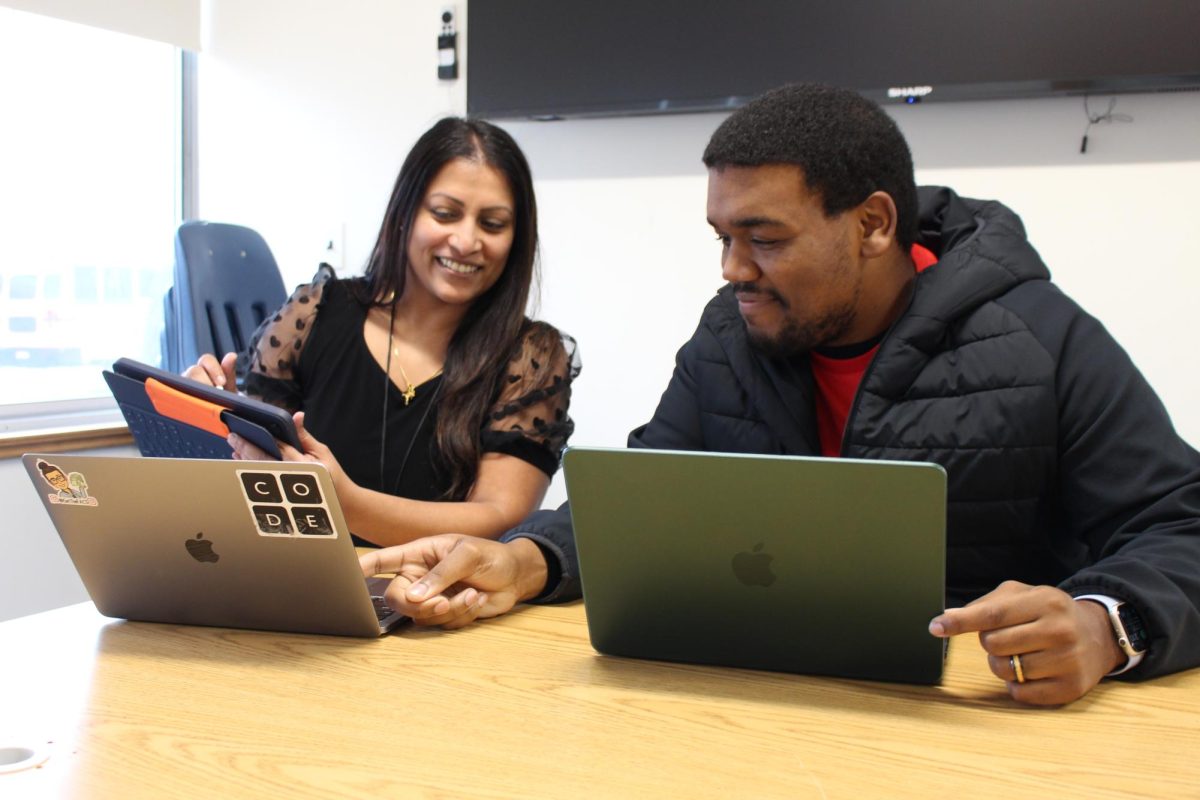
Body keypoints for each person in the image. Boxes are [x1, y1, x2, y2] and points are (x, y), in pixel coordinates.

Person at [364, 83, 1200, 705]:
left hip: (967, 734)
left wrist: (1103, 625)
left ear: (873, 224)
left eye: (763, 240)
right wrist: (525, 559)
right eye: (723, 238)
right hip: (757, 719)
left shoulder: (1040, 339)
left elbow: (1183, 526)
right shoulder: (731, 334)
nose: (732, 270)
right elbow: (651, 500)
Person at [187, 117, 580, 548]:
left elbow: (500, 515)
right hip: (303, 584)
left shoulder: (530, 358)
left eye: (492, 224)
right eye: (445, 214)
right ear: (404, 213)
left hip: (438, 599)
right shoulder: (313, 314)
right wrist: (213, 422)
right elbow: (259, 481)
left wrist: (346, 502)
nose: (466, 241)